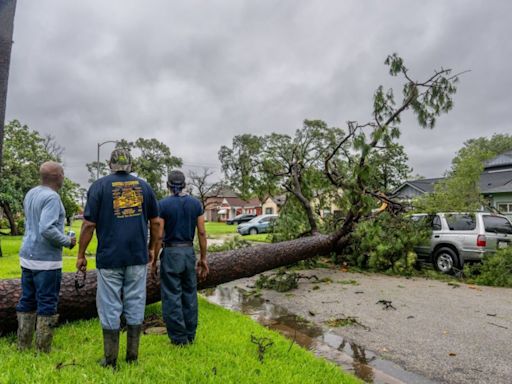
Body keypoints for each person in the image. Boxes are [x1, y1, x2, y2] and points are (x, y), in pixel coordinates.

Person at [76, 148, 160, 368]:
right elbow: (157, 223)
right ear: (130, 165)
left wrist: (81, 254)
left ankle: (110, 360)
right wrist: (152, 248)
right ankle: (132, 357)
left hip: (110, 257)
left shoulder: (99, 187)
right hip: (137, 256)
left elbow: (88, 225)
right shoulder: (145, 187)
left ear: (110, 164)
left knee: (109, 304)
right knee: (136, 302)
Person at [16, 161, 77, 353]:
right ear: (58, 177)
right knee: (47, 302)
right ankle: (42, 349)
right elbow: (46, 228)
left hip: (27, 256)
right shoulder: (52, 198)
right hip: (46, 261)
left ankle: (23, 344)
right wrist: (67, 241)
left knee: (27, 299)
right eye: (63, 173)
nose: (64, 176)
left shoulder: (32, 193)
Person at [154, 170, 208, 346]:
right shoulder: (195, 204)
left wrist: (154, 259)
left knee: (171, 296)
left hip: (171, 253)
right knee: (189, 294)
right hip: (188, 253)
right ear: (185, 184)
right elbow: (201, 232)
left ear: (168, 185)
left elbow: (159, 235)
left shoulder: (163, 204)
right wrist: (203, 258)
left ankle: (179, 338)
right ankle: (190, 334)